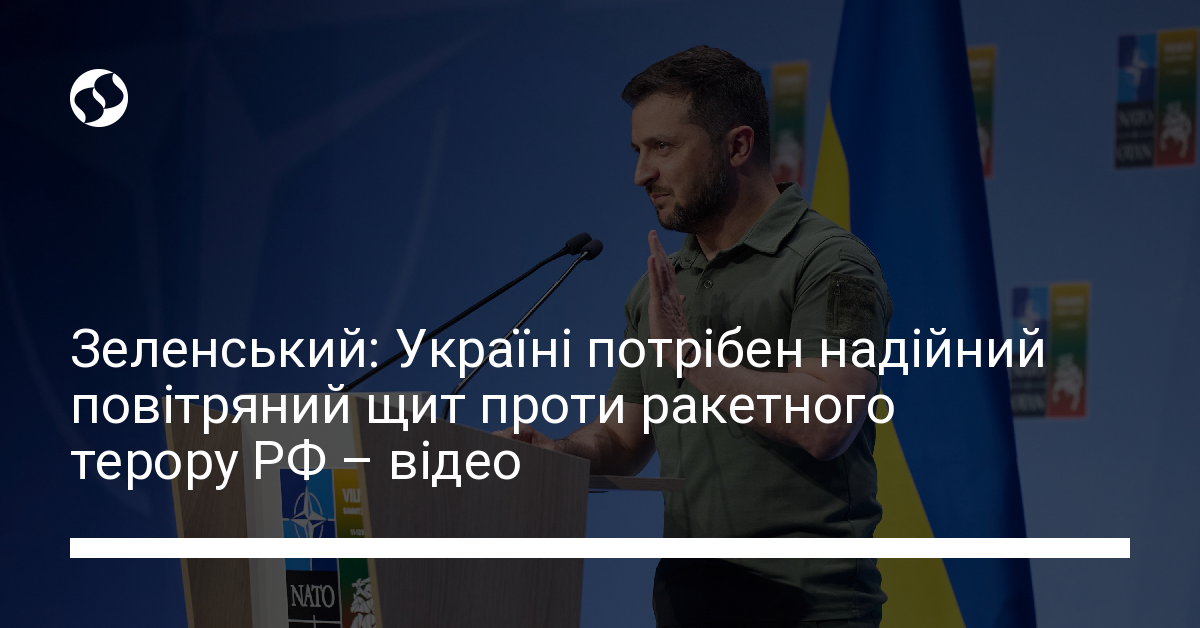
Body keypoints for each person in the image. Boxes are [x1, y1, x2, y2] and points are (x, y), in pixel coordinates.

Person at [496, 45, 892, 627]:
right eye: (638, 151)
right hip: (687, 608)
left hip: (810, 611)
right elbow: (623, 438)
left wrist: (690, 358)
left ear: (738, 146)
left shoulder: (831, 263)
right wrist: (563, 455)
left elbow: (824, 423)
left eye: (663, 147)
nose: (641, 175)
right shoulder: (658, 286)